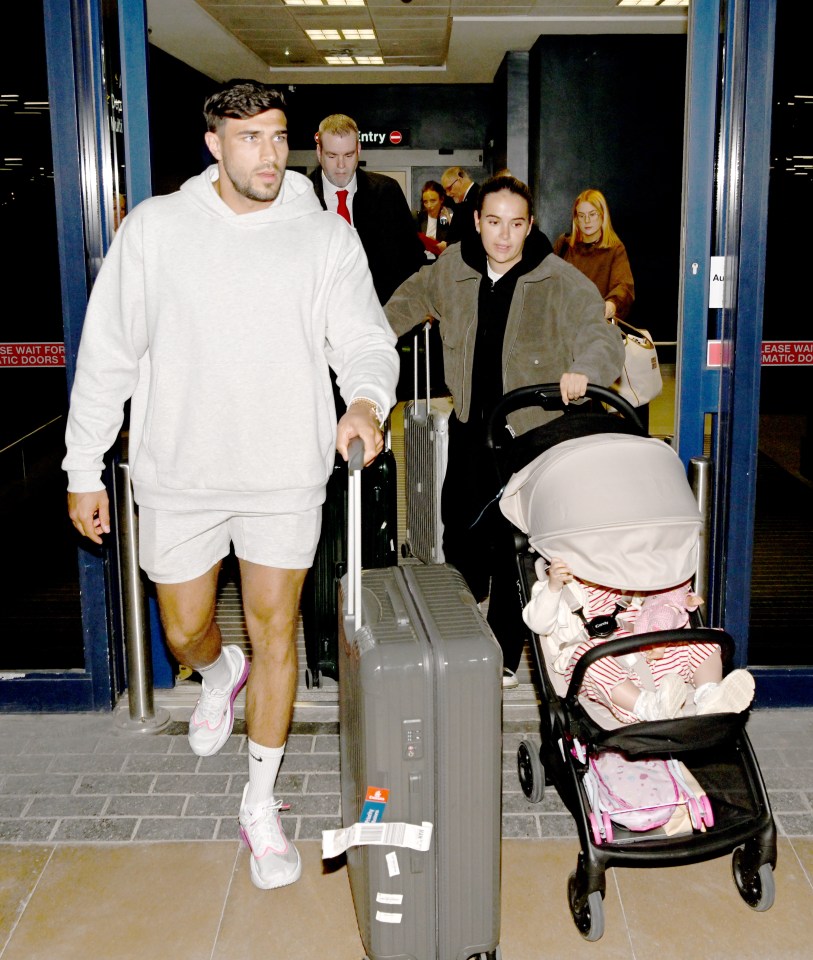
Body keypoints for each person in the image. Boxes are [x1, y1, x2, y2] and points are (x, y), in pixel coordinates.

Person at [63, 81, 398, 891]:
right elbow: (107, 353)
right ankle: (218, 674)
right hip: (180, 471)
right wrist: (83, 467)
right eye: (250, 138)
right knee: (185, 631)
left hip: (284, 469)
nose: (270, 154)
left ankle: (260, 803)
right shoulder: (156, 230)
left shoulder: (321, 238)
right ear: (213, 145)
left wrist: (362, 401)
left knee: (275, 629)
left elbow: (363, 339)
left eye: (279, 136)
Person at [385, 175, 625, 687]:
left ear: (530, 225)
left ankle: (506, 652)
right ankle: (464, 618)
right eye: (493, 222)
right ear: (476, 221)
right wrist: (367, 347)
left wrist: (586, 368)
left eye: (515, 225)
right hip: (473, 425)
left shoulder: (558, 280)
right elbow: (402, 306)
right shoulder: (452, 269)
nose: (503, 236)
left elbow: (601, 338)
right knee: (461, 533)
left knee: (515, 544)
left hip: (530, 435)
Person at [523, 557, 755, 722]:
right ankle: (648, 707)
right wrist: (553, 587)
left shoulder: (631, 573)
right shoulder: (556, 584)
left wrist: (680, 604)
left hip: (645, 647)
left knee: (703, 640)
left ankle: (709, 696)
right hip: (601, 664)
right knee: (592, 659)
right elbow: (539, 624)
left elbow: (664, 600)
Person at [309, 113, 425, 305]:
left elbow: (411, 258)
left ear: (359, 150)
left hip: (380, 316)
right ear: (319, 152)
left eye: (348, 155)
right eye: (332, 155)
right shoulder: (300, 198)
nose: (341, 166)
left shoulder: (387, 192)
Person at [553, 188, 634, 322]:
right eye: (581, 215)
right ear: (576, 219)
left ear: (603, 215)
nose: (587, 220)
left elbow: (623, 287)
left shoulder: (615, 249)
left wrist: (611, 304)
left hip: (597, 328)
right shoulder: (564, 245)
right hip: (564, 325)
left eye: (592, 214)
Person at [441, 166, 480, 247]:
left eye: (449, 188)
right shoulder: (465, 200)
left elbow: (471, 235)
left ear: (460, 179)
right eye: (446, 190)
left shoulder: (477, 198)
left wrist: (447, 245)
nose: (448, 194)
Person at [416, 179, 453, 261]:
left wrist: (449, 220)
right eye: (425, 202)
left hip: (442, 262)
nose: (429, 205)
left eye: (433, 201)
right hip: (422, 262)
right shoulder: (418, 218)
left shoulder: (448, 217)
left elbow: (456, 243)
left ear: (441, 199)